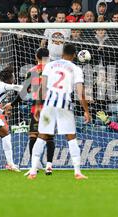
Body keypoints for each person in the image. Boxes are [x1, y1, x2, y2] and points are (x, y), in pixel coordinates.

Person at [28, 43, 91, 180]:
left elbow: (42, 87)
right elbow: (80, 93)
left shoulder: (50, 65)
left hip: (48, 105)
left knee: (42, 137)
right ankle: (77, 172)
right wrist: (86, 111)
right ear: (74, 55)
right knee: (71, 138)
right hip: (64, 106)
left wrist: (38, 106)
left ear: (62, 53)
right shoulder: (76, 69)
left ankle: (33, 171)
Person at [9, 48, 56, 175]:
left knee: (33, 135)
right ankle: (49, 165)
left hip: (37, 107)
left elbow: (23, 93)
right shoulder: (54, 70)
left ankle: (34, 165)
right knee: (49, 137)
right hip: (52, 106)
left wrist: (12, 104)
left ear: (36, 57)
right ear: (48, 56)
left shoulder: (32, 71)